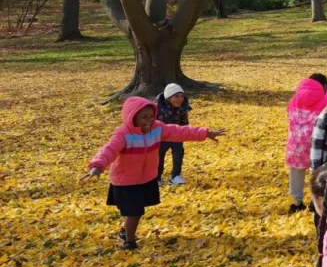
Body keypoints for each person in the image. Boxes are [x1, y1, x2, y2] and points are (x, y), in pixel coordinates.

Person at [81, 96, 225, 250]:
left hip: (146, 178)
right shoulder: (123, 134)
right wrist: (98, 166)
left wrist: (205, 133)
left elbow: (179, 131)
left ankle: (125, 231)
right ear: (132, 117)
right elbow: (109, 150)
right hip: (126, 181)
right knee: (135, 211)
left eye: (151, 116)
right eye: (144, 117)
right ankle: (129, 242)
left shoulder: (157, 128)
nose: (149, 120)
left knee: (135, 211)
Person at [286, 73, 327, 213]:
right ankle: (314, 202)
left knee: (296, 172)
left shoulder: (294, 100)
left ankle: (295, 203)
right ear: (324, 86)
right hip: (314, 144)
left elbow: (289, 114)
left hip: (296, 144)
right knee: (317, 172)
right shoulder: (324, 101)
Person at [156, 83, 191, 185]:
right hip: (162, 137)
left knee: (178, 154)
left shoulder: (183, 107)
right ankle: (157, 177)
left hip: (176, 136)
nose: (180, 99)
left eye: (181, 96)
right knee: (158, 157)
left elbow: (184, 122)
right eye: (176, 96)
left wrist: (185, 132)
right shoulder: (158, 108)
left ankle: (175, 176)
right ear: (168, 97)